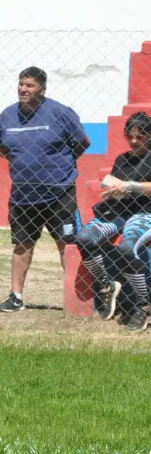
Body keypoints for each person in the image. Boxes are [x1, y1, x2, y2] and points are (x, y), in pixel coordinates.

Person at [0, 67, 90, 312]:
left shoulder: (60, 113)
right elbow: (2, 149)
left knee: (66, 244)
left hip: (59, 193)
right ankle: (15, 297)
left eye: (30, 85)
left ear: (42, 90)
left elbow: (81, 143)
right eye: (21, 84)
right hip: (23, 196)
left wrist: (57, 167)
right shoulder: (6, 117)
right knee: (22, 244)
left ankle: (79, 298)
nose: (23, 89)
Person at [75, 112, 151, 323]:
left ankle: (144, 305)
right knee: (84, 238)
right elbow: (119, 186)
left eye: (141, 136)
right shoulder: (122, 159)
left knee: (127, 248)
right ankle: (106, 285)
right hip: (118, 211)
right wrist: (112, 191)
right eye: (130, 136)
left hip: (145, 213)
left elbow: (135, 187)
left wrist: (129, 186)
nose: (134, 141)